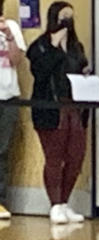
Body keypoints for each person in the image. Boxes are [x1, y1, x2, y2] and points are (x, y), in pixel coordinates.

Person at [26, 1, 88, 225]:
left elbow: (81, 67)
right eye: (63, 17)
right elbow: (40, 72)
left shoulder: (76, 47)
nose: (67, 22)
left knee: (75, 156)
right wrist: (54, 46)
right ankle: (55, 204)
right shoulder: (40, 46)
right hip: (50, 110)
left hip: (73, 108)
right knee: (54, 157)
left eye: (70, 17)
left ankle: (65, 201)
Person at [0, 1, 25, 220]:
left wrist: (8, 35)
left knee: (3, 150)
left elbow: (16, 60)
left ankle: (0, 201)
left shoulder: (12, 27)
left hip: (8, 97)